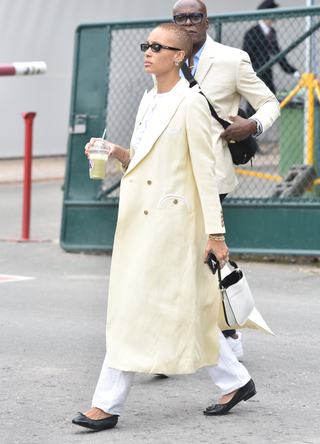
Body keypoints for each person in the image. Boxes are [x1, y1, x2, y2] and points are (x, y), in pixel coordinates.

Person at [72, 23, 257, 433]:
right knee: (183, 306)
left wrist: (217, 234)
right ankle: (236, 380)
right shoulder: (147, 98)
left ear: (180, 56)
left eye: (160, 46)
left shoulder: (191, 102)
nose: (149, 51)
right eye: (147, 44)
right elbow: (144, 157)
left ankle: (105, 405)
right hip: (141, 218)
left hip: (173, 223)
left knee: (130, 308)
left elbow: (204, 173)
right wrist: (115, 151)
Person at [172, 0, 280, 356]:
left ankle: (227, 331)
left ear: (207, 21)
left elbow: (270, 102)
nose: (188, 23)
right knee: (175, 256)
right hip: (172, 176)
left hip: (212, 177)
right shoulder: (166, 57)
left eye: (194, 17)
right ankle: (178, 334)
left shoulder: (232, 59)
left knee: (207, 255)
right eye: (180, 18)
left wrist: (252, 124)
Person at [243, 0, 300, 117]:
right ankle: (249, 134)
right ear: (267, 14)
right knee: (252, 109)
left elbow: (279, 56)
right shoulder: (252, 33)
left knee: (269, 105)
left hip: (268, 77)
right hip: (255, 76)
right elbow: (246, 57)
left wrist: (293, 71)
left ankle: (257, 131)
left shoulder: (272, 33)